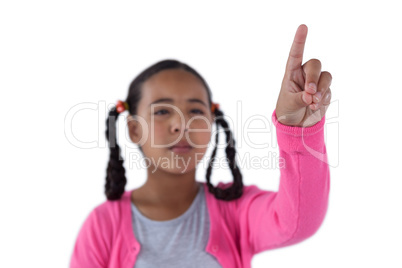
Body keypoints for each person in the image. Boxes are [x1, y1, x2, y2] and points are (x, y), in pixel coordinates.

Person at [70, 24, 332, 268]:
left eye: (195, 110)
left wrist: (298, 131)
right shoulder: (102, 226)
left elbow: (298, 222)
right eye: (162, 111)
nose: (182, 124)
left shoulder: (236, 210)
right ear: (134, 129)